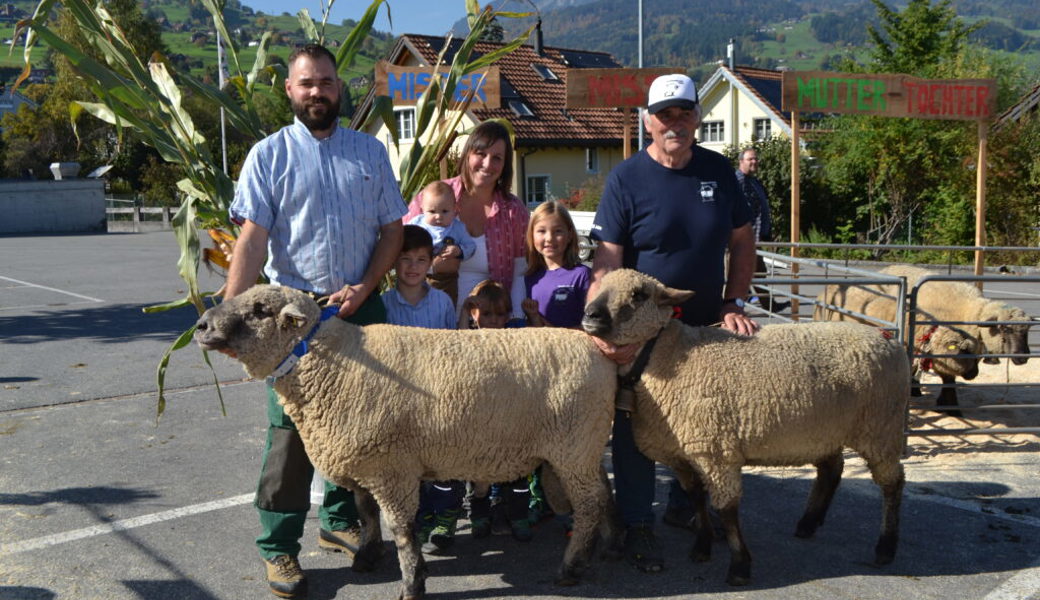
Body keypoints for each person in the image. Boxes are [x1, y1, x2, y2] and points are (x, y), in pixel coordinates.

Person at [222, 44, 405, 599]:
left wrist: (366, 286)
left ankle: (340, 520)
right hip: (289, 320)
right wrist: (231, 317)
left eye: (326, 82)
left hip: (359, 308)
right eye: (307, 83)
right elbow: (252, 241)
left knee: (359, 425)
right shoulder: (268, 156)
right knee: (289, 433)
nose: (317, 92)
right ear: (290, 90)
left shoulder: (370, 152)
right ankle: (278, 546)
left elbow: (392, 231)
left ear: (339, 87)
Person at [588, 73, 759, 573]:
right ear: (649, 121)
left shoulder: (718, 171)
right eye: (665, 115)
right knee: (637, 425)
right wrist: (605, 330)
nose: (675, 123)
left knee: (705, 421)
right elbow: (607, 259)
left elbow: (742, 239)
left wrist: (734, 300)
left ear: (697, 119)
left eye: (684, 112)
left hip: (704, 327)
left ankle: (689, 507)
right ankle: (638, 521)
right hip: (642, 335)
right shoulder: (626, 178)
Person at [379, 225, 459, 554]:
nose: (413, 267)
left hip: (436, 392)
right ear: (394, 262)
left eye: (421, 260)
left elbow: (453, 348)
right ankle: (421, 517)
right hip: (399, 397)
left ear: (431, 263)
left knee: (446, 457)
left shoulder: (441, 301)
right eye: (406, 259)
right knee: (410, 463)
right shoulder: (384, 304)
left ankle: (447, 516)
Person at [404, 121, 529, 320]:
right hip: (429, 317)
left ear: (505, 165)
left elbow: (519, 272)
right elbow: (399, 251)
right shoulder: (433, 196)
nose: (487, 164)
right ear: (468, 154)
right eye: (481, 154)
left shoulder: (514, 211)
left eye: (497, 158)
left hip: (488, 325)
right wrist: (433, 266)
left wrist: (516, 319)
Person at [457, 280, 535, 541]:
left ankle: (517, 516)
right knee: (478, 471)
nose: (494, 320)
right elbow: (459, 341)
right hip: (478, 417)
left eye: (500, 314)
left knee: (515, 471)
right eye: (487, 313)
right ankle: (479, 515)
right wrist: (464, 312)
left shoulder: (513, 332)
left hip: (511, 415)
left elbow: (538, 338)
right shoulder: (471, 337)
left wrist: (533, 315)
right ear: (473, 314)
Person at [407, 180, 477, 305]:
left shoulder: (457, 228)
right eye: (432, 211)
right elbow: (402, 240)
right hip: (419, 276)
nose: (438, 216)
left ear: (454, 209)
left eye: (445, 211)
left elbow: (471, 246)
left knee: (446, 304)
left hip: (447, 280)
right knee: (418, 305)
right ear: (422, 209)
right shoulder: (417, 224)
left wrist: (459, 250)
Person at [735, 147, 788, 312]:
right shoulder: (738, 181)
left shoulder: (754, 181)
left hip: (755, 237)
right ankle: (735, 308)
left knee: (759, 272)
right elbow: (740, 211)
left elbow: (760, 210)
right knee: (743, 273)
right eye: (750, 159)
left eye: (756, 159)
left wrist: (765, 232)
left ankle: (769, 306)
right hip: (743, 239)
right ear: (741, 161)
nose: (754, 162)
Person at [523, 200, 591, 329]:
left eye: (558, 231)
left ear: (569, 235)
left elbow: (594, 325)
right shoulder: (529, 277)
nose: (549, 238)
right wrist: (534, 317)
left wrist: (557, 334)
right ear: (531, 235)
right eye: (541, 231)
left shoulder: (582, 276)